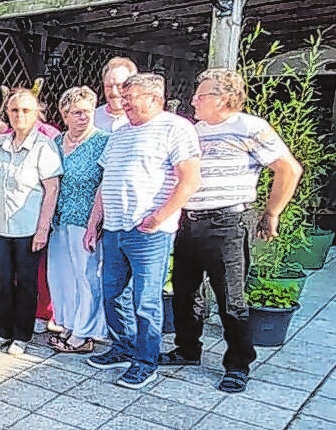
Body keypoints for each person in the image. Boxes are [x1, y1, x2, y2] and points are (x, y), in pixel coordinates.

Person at [161, 69, 302, 393]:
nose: (194, 99)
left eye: (202, 94)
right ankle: (187, 349)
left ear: (223, 98)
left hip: (227, 223)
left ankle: (238, 364)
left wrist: (272, 212)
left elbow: (289, 168)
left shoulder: (250, 127)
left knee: (230, 299)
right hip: (189, 220)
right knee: (185, 292)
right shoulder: (194, 129)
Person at [85, 73, 200, 389]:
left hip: (149, 233)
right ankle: (122, 347)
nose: (123, 103)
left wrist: (159, 216)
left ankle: (145, 362)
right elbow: (105, 183)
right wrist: (94, 223)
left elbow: (189, 179)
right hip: (114, 229)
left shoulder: (176, 128)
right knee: (113, 294)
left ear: (154, 98)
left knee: (146, 300)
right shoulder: (120, 132)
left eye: (129, 96)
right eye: (122, 96)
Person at [0, 89, 61, 356]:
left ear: (36, 113)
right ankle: (3, 330)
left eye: (26, 110)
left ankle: (21, 334)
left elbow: (51, 190)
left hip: (28, 227)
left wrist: (43, 228)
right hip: (1, 226)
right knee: (3, 280)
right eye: (15, 110)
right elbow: (1, 179)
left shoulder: (44, 146)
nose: (20, 116)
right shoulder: (1, 144)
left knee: (27, 282)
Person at [46, 86, 109, 354]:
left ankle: (85, 334)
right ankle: (69, 325)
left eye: (87, 111)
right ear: (64, 114)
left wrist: (95, 224)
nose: (83, 118)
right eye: (77, 113)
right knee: (62, 276)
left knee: (86, 277)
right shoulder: (56, 142)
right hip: (58, 220)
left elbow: (104, 185)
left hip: (86, 221)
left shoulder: (104, 141)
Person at [94, 57, 138, 133]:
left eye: (119, 86)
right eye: (109, 87)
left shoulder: (141, 118)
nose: (114, 92)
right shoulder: (93, 118)